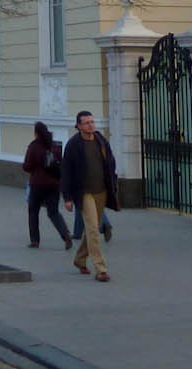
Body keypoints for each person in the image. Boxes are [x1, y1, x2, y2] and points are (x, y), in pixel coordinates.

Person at [61, 109, 119, 283]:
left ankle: (79, 259)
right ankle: (101, 269)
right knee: (94, 228)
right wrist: (68, 198)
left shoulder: (100, 140)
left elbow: (110, 161)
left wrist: (113, 181)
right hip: (84, 193)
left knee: (91, 229)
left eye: (92, 122)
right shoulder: (73, 145)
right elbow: (66, 172)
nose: (90, 125)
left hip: (101, 191)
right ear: (78, 126)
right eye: (86, 123)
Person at [21, 120, 72, 249]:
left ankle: (35, 240)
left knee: (33, 211)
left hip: (37, 184)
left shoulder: (33, 147)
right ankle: (65, 234)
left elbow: (27, 166)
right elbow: (61, 164)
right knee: (53, 212)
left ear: (36, 133)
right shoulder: (54, 146)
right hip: (54, 184)